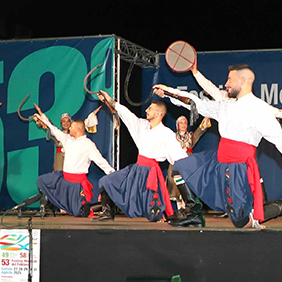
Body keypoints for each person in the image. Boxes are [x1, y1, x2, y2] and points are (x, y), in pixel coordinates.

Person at [153, 64, 282, 229]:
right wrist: (168, 91)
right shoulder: (226, 105)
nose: (226, 83)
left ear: (243, 80)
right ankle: (193, 212)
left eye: (230, 79)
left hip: (239, 168)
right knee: (181, 166)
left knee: (240, 221)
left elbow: (279, 137)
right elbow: (197, 104)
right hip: (217, 161)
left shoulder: (259, 109)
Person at [92, 92, 188, 222]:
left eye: (150, 109)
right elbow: (125, 113)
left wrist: (189, 169)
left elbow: (180, 157)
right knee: (106, 181)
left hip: (150, 174)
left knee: (154, 214)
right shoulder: (141, 125)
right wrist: (109, 100)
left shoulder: (167, 134)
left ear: (159, 114)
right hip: (136, 170)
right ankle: (107, 212)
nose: (146, 110)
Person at [21, 114, 114, 216]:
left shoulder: (88, 144)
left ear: (78, 129)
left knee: (80, 213)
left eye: (72, 127)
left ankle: (93, 207)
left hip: (76, 184)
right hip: (64, 179)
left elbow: (101, 162)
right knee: (42, 181)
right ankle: (50, 206)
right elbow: (54, 130)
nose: (69, 128)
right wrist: (42, 118)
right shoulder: (67, 140)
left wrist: (113, 175)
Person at [167, 115, 211, 213]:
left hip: (188, 164)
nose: (183, 125)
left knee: (187, 187)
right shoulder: (172, 137)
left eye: (185, 122)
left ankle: (188, 209)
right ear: (177, 125)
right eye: (181, 123)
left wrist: (206, 119)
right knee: (177, 189)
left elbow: (200, 131)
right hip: (176, 164)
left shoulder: (190, 136)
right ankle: (180, 209)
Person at [34, 109, 101, 172]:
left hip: (72, 159)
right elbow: (49, 125)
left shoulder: (75, 134)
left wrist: (93, 113)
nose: (66, 123)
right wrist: (40, 114)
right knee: (59, 178)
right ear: (61, 123)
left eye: (68, 121)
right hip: (59, 160)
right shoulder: (58, 133)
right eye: (64, 121)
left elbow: (83, 124)